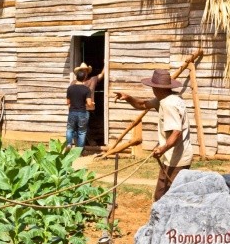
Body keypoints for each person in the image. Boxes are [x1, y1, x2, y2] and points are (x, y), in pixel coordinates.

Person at [114, 68, 193, 201]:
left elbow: (176, 132)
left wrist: (162, 148)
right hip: (175, 157)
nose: (153, 90)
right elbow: (142, 104)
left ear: (157, 88)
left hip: (177, 160)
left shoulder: (168, 104)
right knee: (166, 195)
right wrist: (128, 98)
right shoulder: (169, 98)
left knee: (164, 198)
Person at [63, 63, 95, 153]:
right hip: (82, 113)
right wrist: (92, 104)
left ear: (76, 77)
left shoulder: (70, 88)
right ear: (84, 78)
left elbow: (67, 102)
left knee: (70, 129)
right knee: (82, 132)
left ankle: (69, 144)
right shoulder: (86, 89)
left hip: (72, 112)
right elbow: (89, 103)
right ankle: (79, 150)